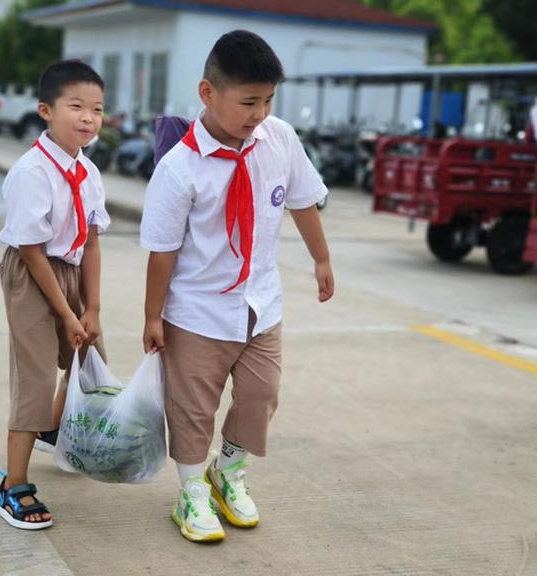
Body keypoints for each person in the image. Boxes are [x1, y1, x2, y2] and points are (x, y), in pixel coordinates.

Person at [140, 30, 335, 543]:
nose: (260, 113)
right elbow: (161, 251)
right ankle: (190, 494)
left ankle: (227, 473)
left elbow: (302, 200)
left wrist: (321, 259)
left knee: (261, 394)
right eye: (249, 101)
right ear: (208, 93)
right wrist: (152, 316)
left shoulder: (280, 139)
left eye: (269, 100)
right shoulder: (179, 167)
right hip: (197, 310)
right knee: (193, 408)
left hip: (260, 302)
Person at [0, 60, 110, 530]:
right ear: (45, 110)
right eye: (76, 107)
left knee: (87, 356)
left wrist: (92, 307)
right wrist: (64, 313)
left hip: (72, 269)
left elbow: (94, 240)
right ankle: (12, 485)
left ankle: (52, 428)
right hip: (32, 272)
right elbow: (31, 249)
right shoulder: (33, 172)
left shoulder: (89, 171)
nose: (88, 118)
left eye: (97, 110)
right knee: (36, 376)